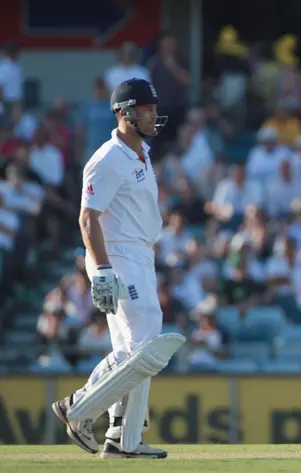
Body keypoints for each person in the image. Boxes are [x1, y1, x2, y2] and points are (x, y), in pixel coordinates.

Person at [50, 78, 169, 459]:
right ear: (124, 113)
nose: (153, 114)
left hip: (140, 255)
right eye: (145, 109)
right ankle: (79, 406)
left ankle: (122, 437)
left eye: (153, 108)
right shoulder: (106, 158)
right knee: (145, 341)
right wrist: (101, 271)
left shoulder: (141, 152)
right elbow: (88, 219)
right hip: (119, 257)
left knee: (132, 347)